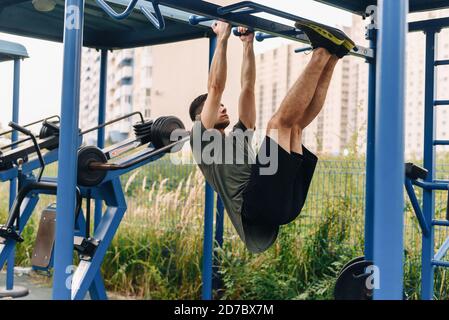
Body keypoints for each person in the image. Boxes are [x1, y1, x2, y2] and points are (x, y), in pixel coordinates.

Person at [189, 20, 355, 253]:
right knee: (277, 124)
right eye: (216, 107)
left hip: (282, 206)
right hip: (258, 207)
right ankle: (320, 52)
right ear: (200, 118)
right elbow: (215, 87)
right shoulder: (201, 141)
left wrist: (247, 45)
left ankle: (332, 55)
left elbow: (248, 87)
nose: (223, 108)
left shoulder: (238, 137)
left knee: (295, 127)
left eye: (224, 106)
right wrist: (222, 38)